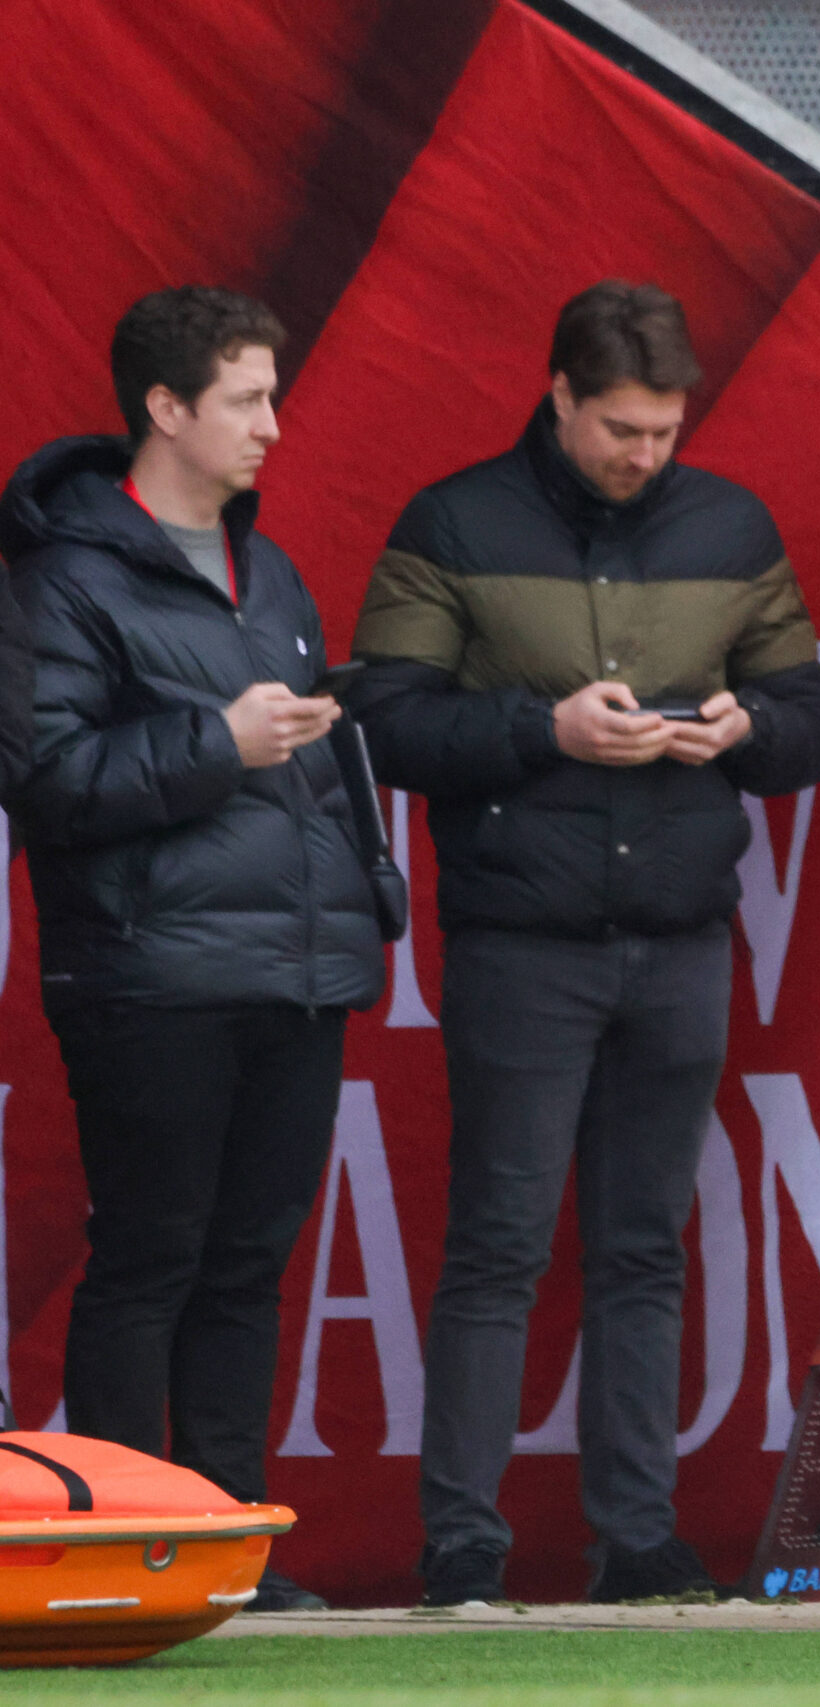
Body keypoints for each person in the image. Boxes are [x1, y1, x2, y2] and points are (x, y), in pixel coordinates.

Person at [348, 282, 820, 1607]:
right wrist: (542, 729)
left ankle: (639, 1536)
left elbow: (810, 720)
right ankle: (463, 1539)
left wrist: (747, 728)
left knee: (643, 1248)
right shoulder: (453, 521)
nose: (644, 454)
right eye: (621, 428)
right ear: (559, 395)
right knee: (498, 1243)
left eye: (666, 432)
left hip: (681, 936)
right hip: (522, 941)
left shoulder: (730, 524)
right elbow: (382, 721)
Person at [0, 287, 382, 1615]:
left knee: (246, 1267)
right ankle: (120, 1547)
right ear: (165, 408)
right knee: (150, 1257)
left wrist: (349, 895)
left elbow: (306, 766)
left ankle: (225, 1547)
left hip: (296, 969)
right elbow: (45, 779)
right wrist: (218, 741)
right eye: (246, 399)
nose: (272, 424)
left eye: (273, 395)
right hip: (150, 975)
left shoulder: (266, 569)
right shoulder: (62, 578)